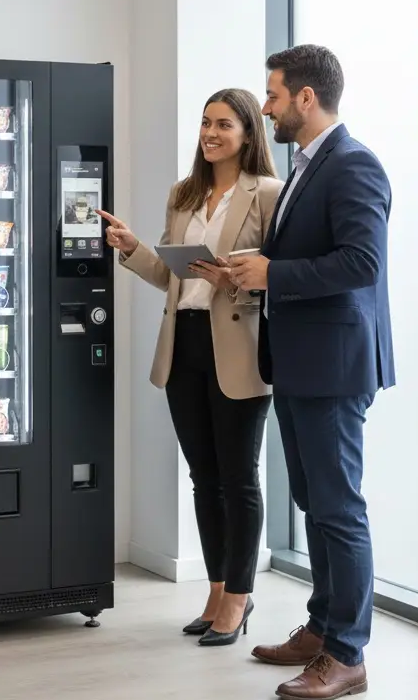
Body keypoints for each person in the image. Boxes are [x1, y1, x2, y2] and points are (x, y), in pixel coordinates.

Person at [229, 45, 394, 700]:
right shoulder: (307, 165)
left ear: (305, 98)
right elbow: (305, 252)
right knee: (314, 504)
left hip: (333, 366)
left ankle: (347, 655)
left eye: (271, 94)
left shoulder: (355, 165)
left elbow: (362, 264)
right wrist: (251, 268)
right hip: (300, 362)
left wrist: (275, 274)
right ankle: (321, 628)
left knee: (338, 508)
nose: (264, 106)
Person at [99, 89, 283, 647]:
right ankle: (216, 588)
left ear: (248, 133)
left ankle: (240, 598)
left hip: (240, 350)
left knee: (239, 477)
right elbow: (172, 277)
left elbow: (278, 277)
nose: (210, 133)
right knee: (205, 480)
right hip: (184, 346)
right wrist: (132, 248)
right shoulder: (184, 196)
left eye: (223, 124)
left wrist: (238, 279)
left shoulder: (269, 196)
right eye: (205, 123)